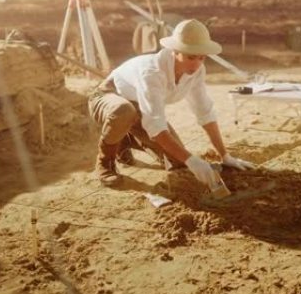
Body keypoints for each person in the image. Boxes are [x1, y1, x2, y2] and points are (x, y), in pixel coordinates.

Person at [88, 19, 254, 187]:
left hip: (140, 108)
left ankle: (126, 138)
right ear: (175, 51)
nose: (196, 64)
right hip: (108, 97)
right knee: (124, 111)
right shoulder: (152, 72)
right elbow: (156, 126)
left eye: (201, 58)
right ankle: (105, 162)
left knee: (178, 162)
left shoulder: (196, 71)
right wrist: (193, 161)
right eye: (190, 57)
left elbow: (205, 112)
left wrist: (225, 155)